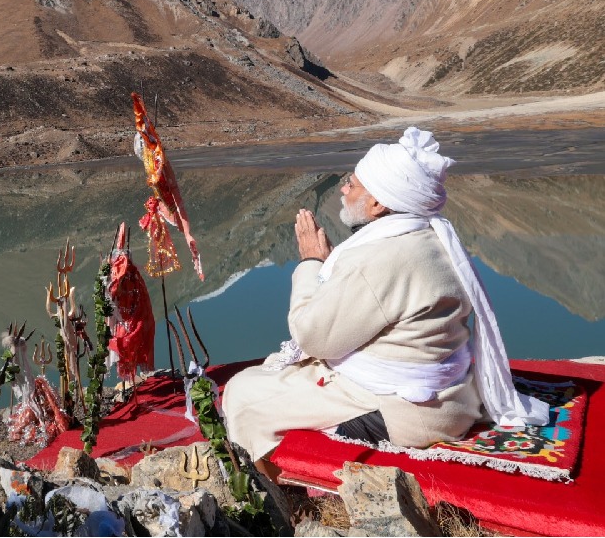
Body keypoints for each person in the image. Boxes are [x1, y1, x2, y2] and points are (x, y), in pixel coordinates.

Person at [221, 127, 549, 481]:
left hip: (403, 412)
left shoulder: (380, 257)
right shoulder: (431, 237)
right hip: (452, 399)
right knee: (272, 373)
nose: (343, 190)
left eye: (352, 184)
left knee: (243, 394)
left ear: (378, 204)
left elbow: (312, 337)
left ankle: (270, 489)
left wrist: (311, 263)